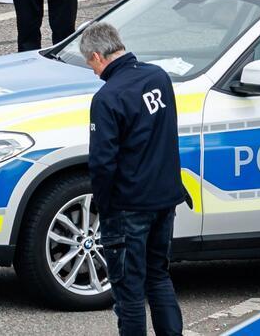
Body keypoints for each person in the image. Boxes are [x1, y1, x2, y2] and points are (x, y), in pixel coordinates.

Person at [82, 21, 187, 336]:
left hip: (129, 206)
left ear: (99, 56)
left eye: (90, 63)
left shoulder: (108, 97)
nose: (93, 71)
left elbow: (102, 163)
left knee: (129, 293)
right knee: (158, 277)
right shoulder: (158, 77)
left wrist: (105, 207)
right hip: (164, 198)